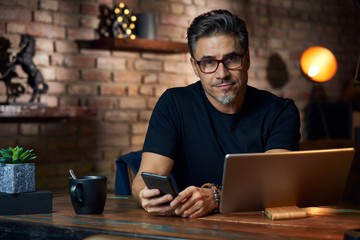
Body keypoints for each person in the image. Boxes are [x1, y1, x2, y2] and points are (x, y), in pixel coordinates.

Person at [131, 9, 301, 218]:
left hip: (259, 228)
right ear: (195, 67)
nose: (222, 74)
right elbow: (144, 177)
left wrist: (215, 196)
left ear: (247, 59)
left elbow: (275, 185)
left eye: (231, 59)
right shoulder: (174, 103)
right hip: (191, 228)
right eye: (208, 62)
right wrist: (145, 196)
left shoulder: (280, 111)